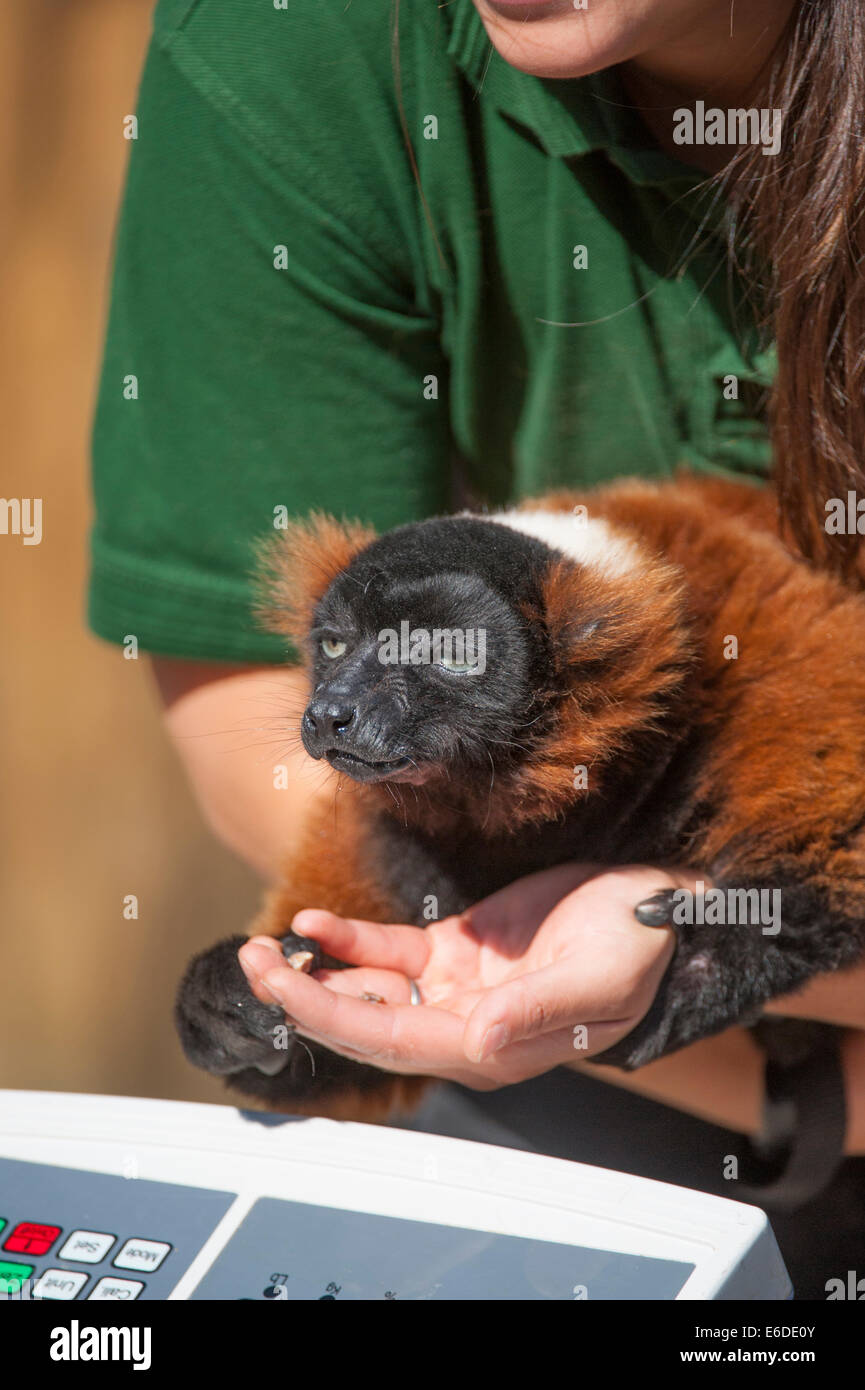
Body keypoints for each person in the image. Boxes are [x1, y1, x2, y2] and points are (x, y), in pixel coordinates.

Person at [89, 0, 865, 1296]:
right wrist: (359, 995)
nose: (337, 713)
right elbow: (267, 747)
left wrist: (710, 993)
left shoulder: (774, 686)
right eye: (345, 657)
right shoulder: (294, 46)